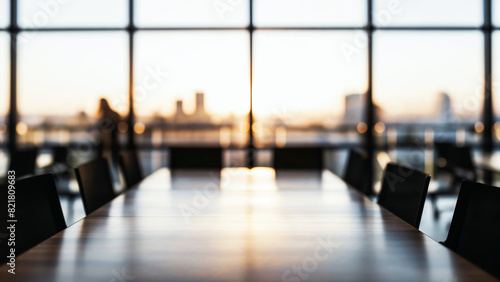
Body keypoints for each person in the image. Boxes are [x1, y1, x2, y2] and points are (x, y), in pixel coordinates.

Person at [97, 98, 121, 163]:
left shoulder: (104, 115)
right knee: (114, 160)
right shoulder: (113, 114)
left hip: (109, 141)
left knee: (104, 159)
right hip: (113, 142)